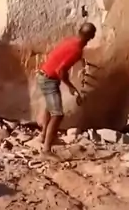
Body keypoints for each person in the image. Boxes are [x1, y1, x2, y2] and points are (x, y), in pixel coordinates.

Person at [36, 22, 97, 153]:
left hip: (44, 74)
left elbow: (59, 57)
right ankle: (46, 150)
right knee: (57, 115)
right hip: (49, 80)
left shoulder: (70, 40)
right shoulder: (77, 50)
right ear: (91, 37)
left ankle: (43, 136)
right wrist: (71, 87)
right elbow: (61, 71)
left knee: (50, 107)